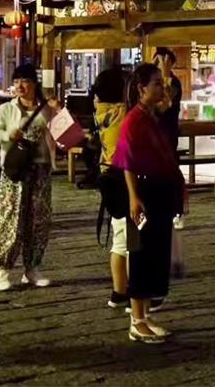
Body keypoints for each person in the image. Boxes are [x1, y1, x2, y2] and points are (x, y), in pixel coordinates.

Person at [114, 63, 184, 343]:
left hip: (161, 190)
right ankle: (136, 319)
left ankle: (145, 314)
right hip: (144, 192)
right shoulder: (134, 119)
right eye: (156, 83)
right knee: (141, 254)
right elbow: (127, 162)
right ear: (142, 89)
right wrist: (134, 196)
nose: (161, 87)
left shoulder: (153, 116)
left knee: (156, 254)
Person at [0, 64, 58, 291]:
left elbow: (66, 134)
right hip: (15, 172)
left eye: (24, 81)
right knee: (10, 218)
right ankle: (3, 270)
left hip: (41, 170)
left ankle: (32, 268)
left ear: (34, 84)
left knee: (38, 220)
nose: (19, 86)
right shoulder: (7, 109)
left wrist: (59, 111)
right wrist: (8, 135)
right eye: (16, 82)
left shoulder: (47, 109)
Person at [92, 67, 131, 310]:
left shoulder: (101, 111)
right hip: (124, 178)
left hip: (108, 176)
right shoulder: (122, 113)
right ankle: (133, 292)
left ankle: (119, 292)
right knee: (131, 240)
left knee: (120, 238)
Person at [152, 48, 182, 156]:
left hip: (168, 132)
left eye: (159, 63)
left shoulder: (174, 82)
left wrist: (165, 75)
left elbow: (163, 103)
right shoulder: (152, 82)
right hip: (153, 132)